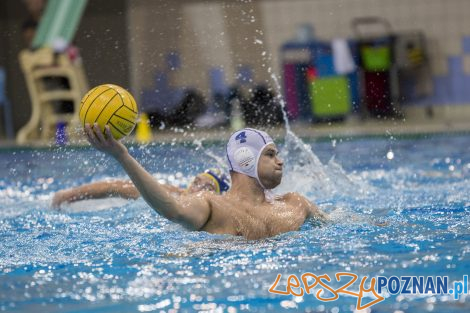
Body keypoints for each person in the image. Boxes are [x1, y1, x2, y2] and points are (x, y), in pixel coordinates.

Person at [84, 124, 328, 240]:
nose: (281, 161)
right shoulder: (212, 206)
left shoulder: (296, 204)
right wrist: (122, 156)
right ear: (245, 160)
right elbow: (172, 209)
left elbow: (340, 225)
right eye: (271, 154)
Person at [51, 168, 230, 208]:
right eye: (196, 181)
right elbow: (115, 187)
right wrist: (72, 194)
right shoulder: (172, 194)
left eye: (206, 186)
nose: (195, 188)